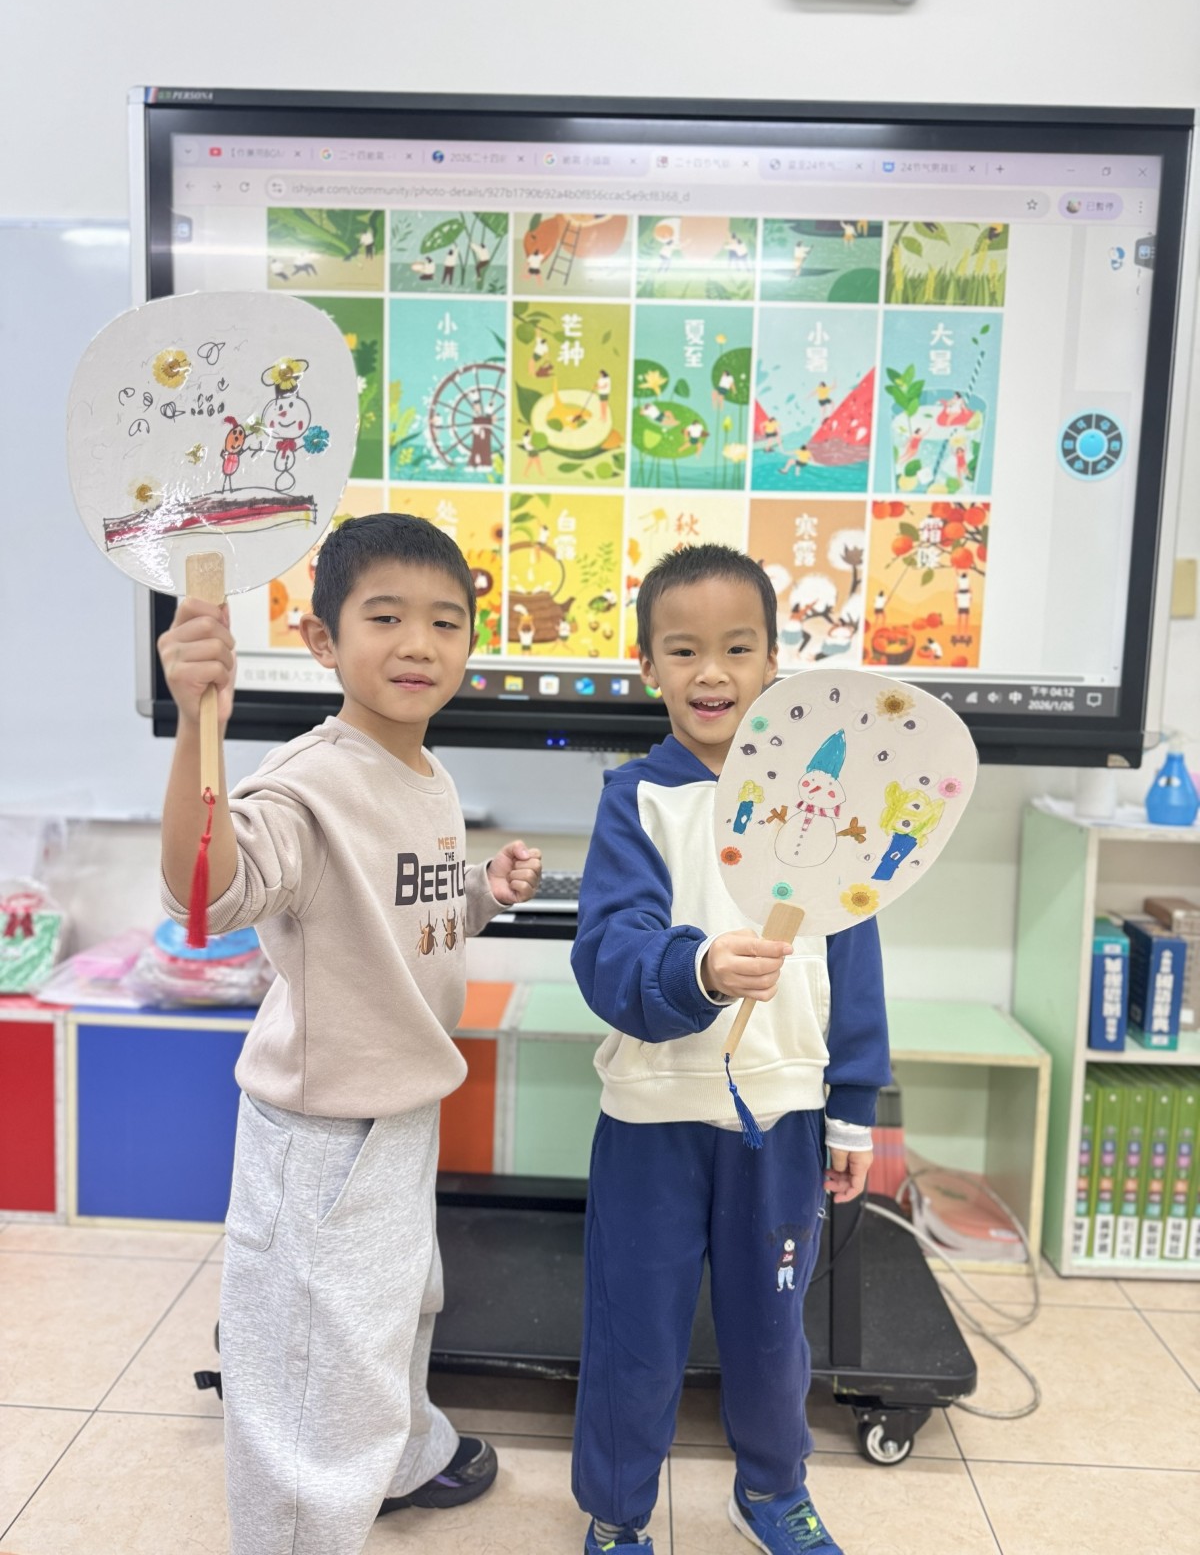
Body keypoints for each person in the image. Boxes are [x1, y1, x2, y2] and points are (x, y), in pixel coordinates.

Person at [158, 513, 542, 1555]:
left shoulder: (428, 774)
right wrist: (197, 724)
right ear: (323, 640)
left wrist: (480, 890)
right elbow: (210, 889)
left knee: (399, 1309)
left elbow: (400, 913)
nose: (419, 643)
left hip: (401, 1111)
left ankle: (403, 1457)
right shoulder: (309, 780)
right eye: (386, 618)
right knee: (310, 1365)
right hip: (322, 1134)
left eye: (446, 622)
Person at [570, 544, 888, 1555]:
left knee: (770, 1329)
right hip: (652, 1119)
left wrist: (853, 1111)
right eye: (684, 650)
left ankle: (773, 1488)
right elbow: (608, 950)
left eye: (738, 648)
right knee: (634, 1329)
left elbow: (857, 962)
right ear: (647, 666)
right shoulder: (636, 798)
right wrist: (698, 968)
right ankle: (617, 1511)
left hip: (782, 1122)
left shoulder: (826, 803)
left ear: (775, 663)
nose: (712, 672)